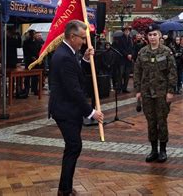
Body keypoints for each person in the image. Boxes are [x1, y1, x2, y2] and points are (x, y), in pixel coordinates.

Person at [48, 20, 104, 196]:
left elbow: (76, 72)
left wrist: (86, 60)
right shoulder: (64, 56)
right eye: (82, 38)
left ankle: (65, 187)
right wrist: (91, 112)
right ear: (72, 36)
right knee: (74, 146)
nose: (84, 42)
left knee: (73, 147)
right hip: (65, 109)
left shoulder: (69, 53)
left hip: (70, 109)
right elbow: (74, 90)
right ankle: (64, 190)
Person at [134, 23, 177, 163]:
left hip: (161, 93)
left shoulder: (166, 52)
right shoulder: (142, 52)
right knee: (151, 122)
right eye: (150, 35)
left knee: (161, 121)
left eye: (155, 35)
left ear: (159, 36)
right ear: (147, 37)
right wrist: (138, 90)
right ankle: (153, 149)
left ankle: (163, 150)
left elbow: (172, 72)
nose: (152, 37)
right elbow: (137, 72)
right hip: (146, 93)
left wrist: (170, 91)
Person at [116, 25, 133, 93]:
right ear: (123, 31)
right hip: (122, 59)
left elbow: (132, 48)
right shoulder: (120, 38)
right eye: (126, 30)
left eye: (128, 30)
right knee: (120, 74)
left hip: (129, 60)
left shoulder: (131, 38)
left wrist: (131, 55)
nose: (127, 31)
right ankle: (119, 88)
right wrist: (127, 55)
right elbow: (120, 49)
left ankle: (124, 88)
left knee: (127, 74)